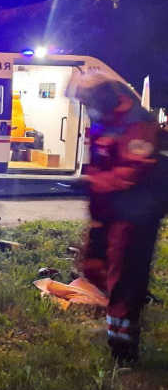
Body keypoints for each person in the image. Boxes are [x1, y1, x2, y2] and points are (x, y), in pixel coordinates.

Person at [70, 73, 166, 364]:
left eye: (88, 101)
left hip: (138, 212)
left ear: (104, 96)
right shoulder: (103, 121)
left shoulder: (137, 121)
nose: (87, 108)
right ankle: (119, 332)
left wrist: (95, 183)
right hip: (111, 209)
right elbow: (98, 163)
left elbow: (133, 171)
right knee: (96, 267)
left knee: (126, 278)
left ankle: (124, 351)